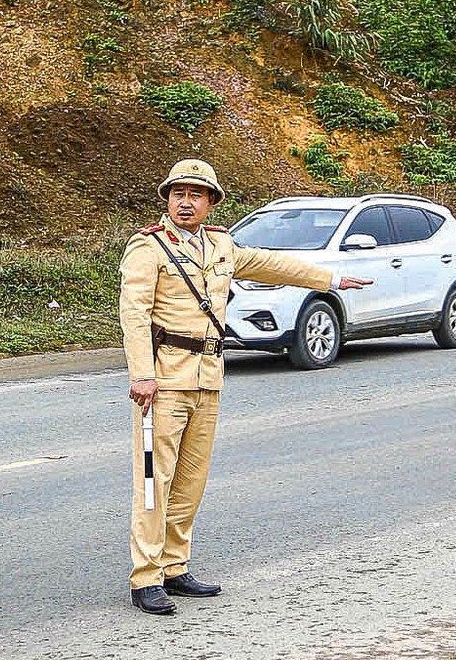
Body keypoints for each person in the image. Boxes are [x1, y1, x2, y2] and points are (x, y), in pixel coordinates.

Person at [119, 159, 373, 615]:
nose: (185, 202)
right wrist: (142, 374)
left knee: (191, 481)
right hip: (164, 381)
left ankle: (174, 567)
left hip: (208, 377)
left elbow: (271, 265)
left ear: (211, 202)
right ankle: (146, 577)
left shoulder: (221, 244)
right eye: (178, 193)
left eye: (196, 194)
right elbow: (134, 313)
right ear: (167, 199)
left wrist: (332, 279)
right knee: (155, 482)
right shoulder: (148, 246)